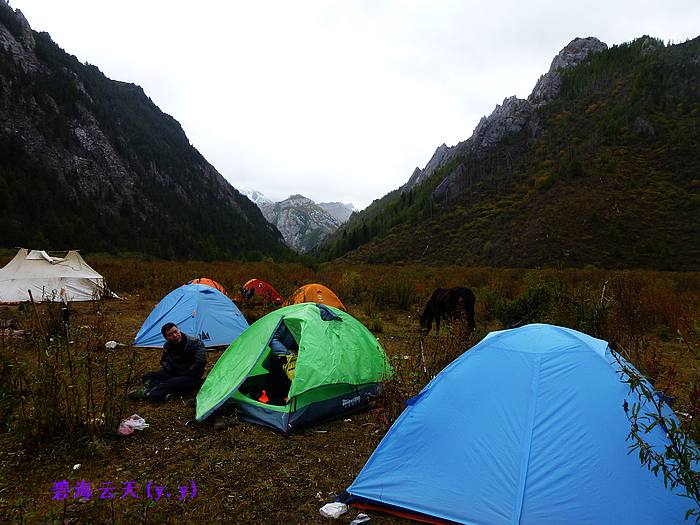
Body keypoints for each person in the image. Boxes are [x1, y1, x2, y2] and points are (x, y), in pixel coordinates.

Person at [129, 323, 206, 402]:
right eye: (170, 335)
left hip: (190, 376)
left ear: (178, 329)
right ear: (166, 337)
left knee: (171, 382)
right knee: (147, 376)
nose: (175, 335)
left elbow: (200, 363)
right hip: (174, 372)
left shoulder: (195, 343)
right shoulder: (167, 345)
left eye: (176, 331)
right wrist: (169, 369)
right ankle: (168, 393)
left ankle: (149, 394)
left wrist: (184, 373)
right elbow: (164, 360)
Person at [264, 321, 298, 404]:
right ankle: (275, 402)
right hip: (282, 356)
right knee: (277, 379)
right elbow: (272, 338)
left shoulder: (313, 320)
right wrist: (286, 353)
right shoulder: (287, 320)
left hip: (302, 357)